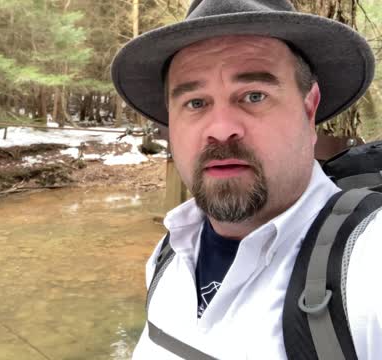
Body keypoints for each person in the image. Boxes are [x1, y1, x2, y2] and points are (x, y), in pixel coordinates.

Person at [110, 0, 380, 359]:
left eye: (254, 96)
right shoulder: (168, 254)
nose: (221, 130)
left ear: (309, 107)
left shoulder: (366, 266)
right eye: (195, 103)